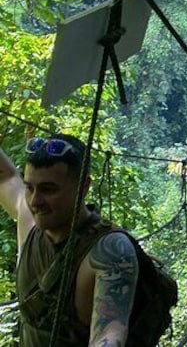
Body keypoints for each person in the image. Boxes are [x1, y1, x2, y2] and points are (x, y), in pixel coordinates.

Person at [0, 133, 138, 346]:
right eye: (29, 187)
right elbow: (7, 178)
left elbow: (110, 333)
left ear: (83, 187)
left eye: (49, 189)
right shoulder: (31, 223)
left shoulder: (109, 250)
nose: (35, 200)